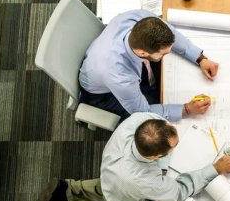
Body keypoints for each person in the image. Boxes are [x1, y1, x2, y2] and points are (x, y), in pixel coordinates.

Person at [35, 112, 230, 201]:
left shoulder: (139, 122)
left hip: (112, 176)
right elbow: (179, 192)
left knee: (109, 187)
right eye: (174, 146)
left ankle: (67, 190)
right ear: (155, 157)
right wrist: (215, 168)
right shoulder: (143, 181)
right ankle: (71, 193)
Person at [79, 9, 220, 121]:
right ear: (142, 53)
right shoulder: (120, 76)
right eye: (163, 54)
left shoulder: (140, 19)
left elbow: (170, 32)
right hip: (103, 95)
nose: (168, 54)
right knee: (154, 108)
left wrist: (200, 58)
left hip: (104, 62)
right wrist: (187, 109)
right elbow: (143, 112)